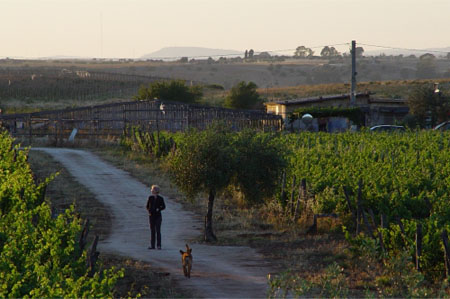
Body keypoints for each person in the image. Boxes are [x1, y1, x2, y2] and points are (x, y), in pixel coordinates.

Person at [146, 185, 166, 250]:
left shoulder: (160, 198)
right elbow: (147, 206)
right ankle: (152, 246)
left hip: (158, 216)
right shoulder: (150, 198)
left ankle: (159, 245)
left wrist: (159, 209)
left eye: (153, 189)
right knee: (152, 231)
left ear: (156, 191)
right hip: (151, 216)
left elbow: (163, 206)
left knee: (158, 231)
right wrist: (149, 210)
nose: (152, 190)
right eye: (152, 189)